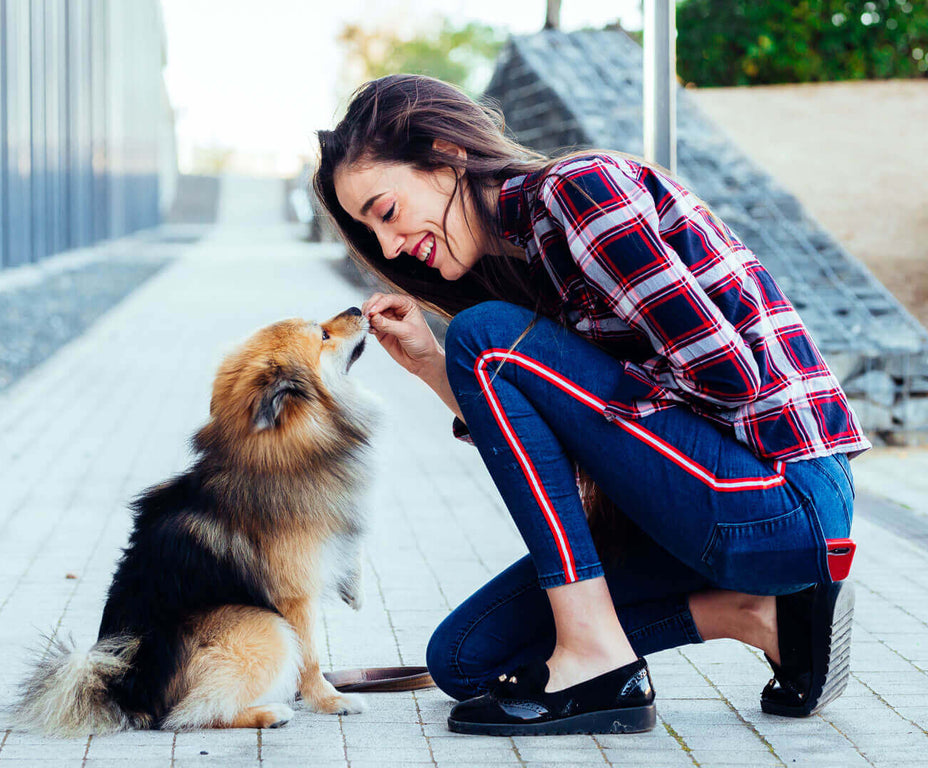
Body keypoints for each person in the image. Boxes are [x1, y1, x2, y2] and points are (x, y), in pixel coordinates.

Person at [313, 74, 869, 736]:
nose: (388, 248)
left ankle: (597, 657)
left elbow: (730, 376)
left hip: (783, 497)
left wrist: (583, 408)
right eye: (370, 232)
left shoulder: (580, 191)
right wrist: (435, 366)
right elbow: (553, 455)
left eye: (385, 211)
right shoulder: (527, 264)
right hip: (702, 507)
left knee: (483, 336)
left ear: (446, 156)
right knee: (466, 662)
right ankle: (762, 617)